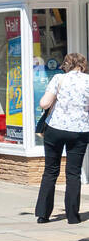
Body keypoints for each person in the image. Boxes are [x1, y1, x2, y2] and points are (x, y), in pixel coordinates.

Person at [35, 52, 89, 224]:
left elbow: (44, 103)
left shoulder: (59, 79)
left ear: (67, 64)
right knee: (73, 173)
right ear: (83, 65)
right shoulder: (88, 81)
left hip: (56, 128)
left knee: (50, 171)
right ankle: (73, 217)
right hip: (80, 130)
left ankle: (43, 214)